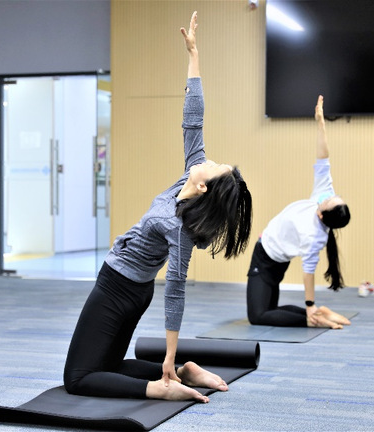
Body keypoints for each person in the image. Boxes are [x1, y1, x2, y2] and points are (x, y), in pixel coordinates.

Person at [63, 11, 253, 403]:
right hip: (133, 288)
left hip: (117, 287)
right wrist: (193, 56)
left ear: (204, 185)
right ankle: (185, 372)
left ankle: (162, 388)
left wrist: (167, 354)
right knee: (107, 365)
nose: (209, 158)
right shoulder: (190, 176)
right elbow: (193, 118)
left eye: (215, 165)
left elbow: (176, 292)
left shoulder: (180, 226)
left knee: (78, 379)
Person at [246, 95, 351, 329]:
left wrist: (310, 304)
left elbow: (308, 273)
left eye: (328, 201)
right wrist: (321, 124)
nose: (328, 197)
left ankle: (314, 319)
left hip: (267, 257)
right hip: (275, 256)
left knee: (258, 316)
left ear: (322, 215)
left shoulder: (315, 236)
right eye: (333, 196)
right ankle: (320, 314)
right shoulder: (322, 195)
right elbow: (323, 158)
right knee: (267, 310)